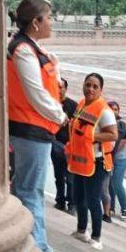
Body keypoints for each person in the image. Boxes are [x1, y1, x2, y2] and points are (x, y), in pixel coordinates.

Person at [7, 0, 68, 252]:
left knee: (24, 188)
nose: (52, 23)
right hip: (31, 129)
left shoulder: (28, 48)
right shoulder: (23, 51)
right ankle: (38, 248)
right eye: (49, 17)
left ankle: (22, 241)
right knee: (30, 190)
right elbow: (37, 94)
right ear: (36, 22)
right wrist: (60, 115)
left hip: (31, 128)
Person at [66, 73, 118, 251]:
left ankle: (96, 236)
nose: (90, 89)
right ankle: (81, 230)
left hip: (97, 162)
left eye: (95, 86)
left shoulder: (104, 111)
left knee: (93, 199)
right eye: (88, 85)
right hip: (80, 161)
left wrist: (91, 136)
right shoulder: (81, 104)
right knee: (78, 196)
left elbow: (113, 134)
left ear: (101, 90)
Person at [51, 78, 78, 214]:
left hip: (70, 147)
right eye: (57, 86)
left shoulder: (73, 105)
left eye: (61, 87)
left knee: (71, 178)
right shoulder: (51, 104)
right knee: (58, 176)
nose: (59, 89)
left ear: (65, 89)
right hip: (55, 145)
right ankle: (60, 201)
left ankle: (72, 203)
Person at [107, 101, 126, 221]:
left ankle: (124, 208)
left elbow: (123, 142)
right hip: (109, 157)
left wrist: (112, 152)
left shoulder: (122, 124)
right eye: (111, 109)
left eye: (116, 109)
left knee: (117, 182)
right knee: (110, 183)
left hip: (120, 158)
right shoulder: (104, 122)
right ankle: (111, 207)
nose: (114, 111)